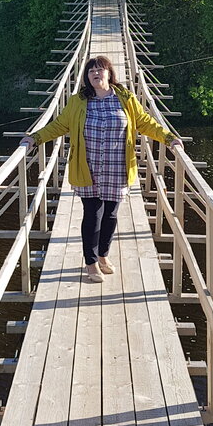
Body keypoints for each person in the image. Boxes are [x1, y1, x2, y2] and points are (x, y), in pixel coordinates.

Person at [21, 54, 183, 282]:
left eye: (99, 69)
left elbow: (145, 122)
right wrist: (34, 138)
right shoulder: (78, 101)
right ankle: (91, 263)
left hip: (117, 168)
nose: (95, 74)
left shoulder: (125, 98)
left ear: (109, 73)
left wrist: (169, 138)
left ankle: (103, 255)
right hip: (88, 168)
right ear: (87, 77)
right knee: (93, 214)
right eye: (90, 71)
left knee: (111, 215)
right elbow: (59, 125)